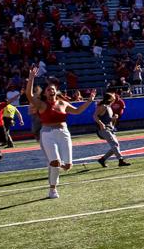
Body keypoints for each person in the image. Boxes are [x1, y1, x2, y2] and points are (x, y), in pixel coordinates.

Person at [25, 68, 95, 199]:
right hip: (47, 133)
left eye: (53, 89)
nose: (51, 91)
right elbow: (29, 94)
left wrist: (89, 100)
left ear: (56, 91)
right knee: (55, 162)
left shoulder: (63, 103)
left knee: (68, 166)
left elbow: (78, 111)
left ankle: (54, 165)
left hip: (63, 133)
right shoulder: (41, 104)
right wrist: (31, 77)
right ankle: (52, 188)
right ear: (45, 93)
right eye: (48, 89)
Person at [94, 92, 130, 168]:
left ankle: (102, 159)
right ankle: (121, 160)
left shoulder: (109, 107)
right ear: (110, 98)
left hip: (109, 128)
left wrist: (113, 119)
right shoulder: (103, 106)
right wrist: (101, 124)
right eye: (113, 96)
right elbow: (94, 116)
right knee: (115, 145)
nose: (115, 97)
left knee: (116, 146)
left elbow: (109, 120)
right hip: (103, 129)